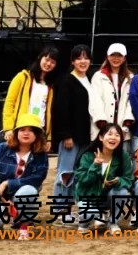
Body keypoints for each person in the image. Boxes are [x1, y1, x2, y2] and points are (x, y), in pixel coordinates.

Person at [0, 113, 49, 237]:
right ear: (16, 133)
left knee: (28, 191)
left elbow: (36, 180)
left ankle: (24, 225)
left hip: (22, 195)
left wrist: (7, 183)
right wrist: (4, 201)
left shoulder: (41, 155)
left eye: (31, 130)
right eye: (22, 130)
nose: (26, 133)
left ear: (37, 135)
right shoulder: (1, 149)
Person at [75, 122, 134, 235]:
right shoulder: (88, 155)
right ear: (101, 137)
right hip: (89, 196)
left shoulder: (123, 156)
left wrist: (118, 181)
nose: (113, 138)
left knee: (122, 192)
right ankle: (83, 224)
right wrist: (95, 165)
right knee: (90, 213)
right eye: (109, 134)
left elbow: (128, 179)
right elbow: (82, 179)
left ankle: (113, 223)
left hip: (108, 196)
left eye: (117, 135)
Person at [52, 45, 93, 201]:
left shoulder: (89, 79)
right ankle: (60, 208)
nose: (83, 61)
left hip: (85, 136)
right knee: (65, 172)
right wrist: (66, 135)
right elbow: (61, 110)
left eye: (86, 58)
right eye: (79, 58)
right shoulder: (66, 81)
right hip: (71, 137)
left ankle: (69, 207)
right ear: (73, 61)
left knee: (77, 172)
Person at [2, 46, 60, 151]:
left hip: (39, 131)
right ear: (40, 58)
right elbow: (9, 103)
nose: (48, 64)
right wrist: (8, 128)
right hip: (20, 129)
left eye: (53, 62)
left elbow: (50, 113)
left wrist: (49, 138)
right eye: (46, 59)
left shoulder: (51, 86)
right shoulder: (22, 77)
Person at [90, 43, 135, 152]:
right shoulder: (98, 76)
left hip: (123, 132)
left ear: (124, 58)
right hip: (101, 131)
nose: (116, 58)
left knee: (122, 160)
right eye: (113, 55)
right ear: (107, 56)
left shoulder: (131, 77)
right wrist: (104, 127)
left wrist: (125, 127)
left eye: (119, 55)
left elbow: (131, 103)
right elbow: (95, 102)